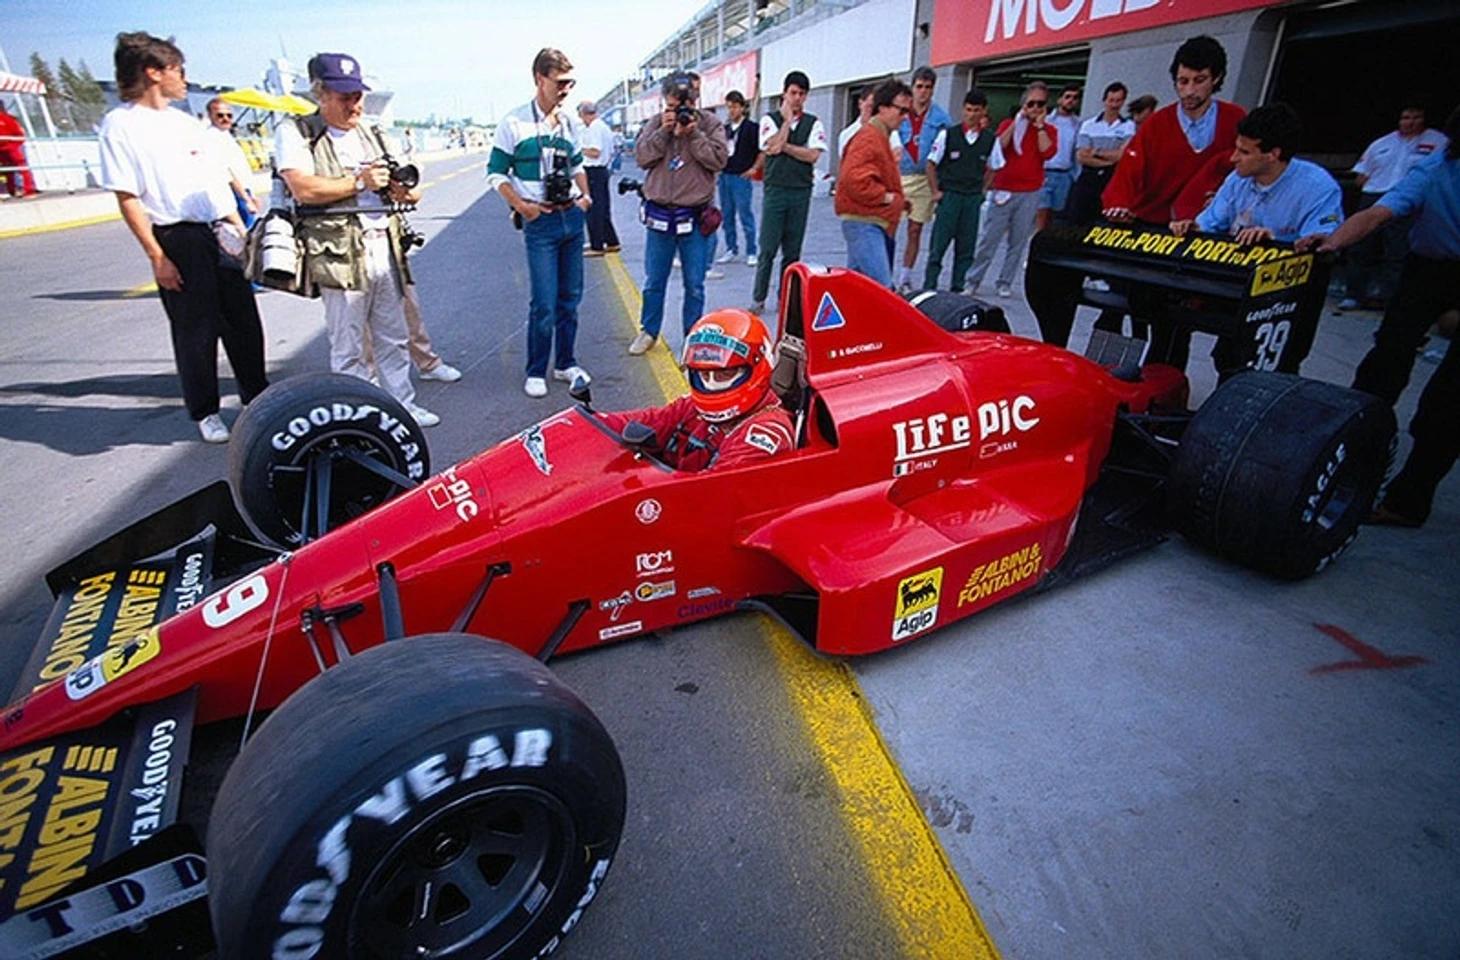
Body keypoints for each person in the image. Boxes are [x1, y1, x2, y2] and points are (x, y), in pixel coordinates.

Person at [99, 32, 268, 443]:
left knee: (243, 321)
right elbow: (128, 197)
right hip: (178, 237)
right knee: (196, 330)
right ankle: (206, 411)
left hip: (217, 228)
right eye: (178, 69)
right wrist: (158, 257)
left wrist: (239, 229)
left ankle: (257, 398)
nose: (185, 78)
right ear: (153, 73)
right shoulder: (121, 125)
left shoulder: (187, 124)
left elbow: (213, 182)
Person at [1297, 108, 1460, 528]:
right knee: (1384, 363)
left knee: (1447, 402)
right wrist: (1332, 241)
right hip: (1429, 269)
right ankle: (1349, 460)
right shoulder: (1437, 166)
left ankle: (1408, 502)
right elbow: (1378, 213)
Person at [276, 51, 438, 425]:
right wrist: (358, 182)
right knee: (348, 343)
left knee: (393, 335)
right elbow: (302, 188)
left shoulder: (374, 133)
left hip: (384, 245)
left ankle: (401, 406)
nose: (355, 105)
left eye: (358, 95)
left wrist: (399, 188)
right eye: (345, 97)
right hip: (339, 250)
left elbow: (414, 193)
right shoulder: (298, 131)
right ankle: (360, 414)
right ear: (320, 94)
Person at [1101, 35, 1246, 369]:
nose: (1189, 90)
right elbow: (1129, 172)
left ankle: (1167, 379)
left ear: (1217, 78)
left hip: (1202, 233)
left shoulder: (1234, 119)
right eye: (1183, 81)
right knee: (1124, 306)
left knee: (1178, 323)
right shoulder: (1157, 123)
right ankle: (1114, 375)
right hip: (1152, 226)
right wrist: (1119, 205)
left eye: (1199, 80)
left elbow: (1243, 168)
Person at [1170, 104, 1343, 378]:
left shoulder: (1318, 186)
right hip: (1240, 285)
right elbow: (1211, 222)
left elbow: (1322, 243)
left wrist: (1274, 242)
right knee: (1227, 356)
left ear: (1273, 154)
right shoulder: (1236, 180)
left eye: (1244, 152)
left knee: (1274, 367)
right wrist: (1190, 227)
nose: (1233, 158)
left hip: (1288, 297)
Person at [486, 47, 593, 398]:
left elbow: (578, 165)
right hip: (541, 222)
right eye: (560, 82)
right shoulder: (514, 123)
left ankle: (565, 362)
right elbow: (496, 173)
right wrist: (521, 206)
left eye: (570, 82)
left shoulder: (569, 123)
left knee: (570, 298)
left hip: (571, 217)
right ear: (539, 79)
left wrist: (586, 197)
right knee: (544, 302)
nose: (566, 89)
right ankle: (535, 370)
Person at [601, 309, 793, 472]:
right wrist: (591, 424)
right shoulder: (693, 407)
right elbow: (647, 420)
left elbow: (708, 490)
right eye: (703, 374)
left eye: (724, 374)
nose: (711, 384)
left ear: (757, 368)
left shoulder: (765, 433)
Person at [626, 72, 728, 355]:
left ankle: (692, 338)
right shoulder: (655, 123)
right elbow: (642, 157)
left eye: (684, 106)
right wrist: (663, 131)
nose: (679, 112)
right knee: (654, 281)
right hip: (659, 217)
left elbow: (719, 160)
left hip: (694, 217)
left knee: (694, 284)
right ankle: (649, 331)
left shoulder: (710, 124)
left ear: (695, 101)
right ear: (665, 102)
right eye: (672, 106)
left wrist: (694, 134)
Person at [1341, 104, 1450, 310]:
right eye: (1406, 117)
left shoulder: (1438, 141)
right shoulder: (1381, 143)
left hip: (1407, 200)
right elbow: (1361, 176)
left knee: (1397, 251)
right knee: (1361, 247)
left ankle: (1388, 298)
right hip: (1375, 196)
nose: (1410, 122)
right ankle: (1353, 294)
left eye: (1416, 117)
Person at [965, 82, 1056, 299]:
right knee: (989, 239)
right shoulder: (1009, 124)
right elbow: (1000, 147)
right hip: (1004, 189)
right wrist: (1018, 122)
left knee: (1018, 241)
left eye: (1040, 104)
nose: (1035, 108)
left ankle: (1004, 281)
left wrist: (1040, 127)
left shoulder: (1049, 130)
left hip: (1030, 191)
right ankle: (973, 280)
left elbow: (1048, 152)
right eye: (1031, 104)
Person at [752, 71, 827, 315]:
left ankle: (785, 297)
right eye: (793, 93)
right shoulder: (769, 119)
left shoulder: (813, 123)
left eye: (801, 94)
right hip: (775, 190)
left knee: (792, 250)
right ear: (784, 94)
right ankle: (759, 297)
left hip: (800, 191)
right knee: (767, 248)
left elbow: (813, 155)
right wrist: (786, 123)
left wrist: (784, 145)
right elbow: (770, 148)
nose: (797, 98)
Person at [836, 80, 911, 287]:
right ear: (883, 107)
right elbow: (854, 179)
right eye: (902, 110)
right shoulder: (870, 138)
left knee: (858, 290)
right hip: (865, 223)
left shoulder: (877, 135)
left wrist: (897, 200)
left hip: (866, 222)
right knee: (882, 290)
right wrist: (888, 198)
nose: (905, 117)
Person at [922, 89, 994, 292]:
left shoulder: (989, 139)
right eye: (968, 110)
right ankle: (929, 287)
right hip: (950, 195)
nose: (971, 115)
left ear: (983, 111)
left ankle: (958, 288)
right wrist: (935, 191)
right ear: (963, 110)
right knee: (938, 246)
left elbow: (994, 167)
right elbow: (931, 163)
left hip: (971, 198)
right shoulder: (948, 135)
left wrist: (983, 191)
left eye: (976, 110)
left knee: (966, 248)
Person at [894, 66, 952, 293]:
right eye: (919, 86)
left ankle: (905, 276)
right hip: (899, 175)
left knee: (915, 228)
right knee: (889, 226)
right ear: (912, 88)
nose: (923, 92)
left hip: (923, 178)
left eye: (928, 87)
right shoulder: (900, 112)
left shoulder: (941, 118)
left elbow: (945, 151)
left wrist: (939, 183)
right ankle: (883, 273)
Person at [1066, 82, 1134, 226]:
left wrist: (1095, 151)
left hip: (1113, 178)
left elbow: (1123, 155)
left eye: (1118, 101)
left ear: (1123, 102)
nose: (1114, 105)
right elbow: (1081, 156)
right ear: (1104, 101)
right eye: (1111, 100)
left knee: (1107, 220)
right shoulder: (1088, 125)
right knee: (1078, 219)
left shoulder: (1128, 126)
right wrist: (1109, 160)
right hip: (1089, 177)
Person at [715, 90, 759, 267]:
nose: (731, 111)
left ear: (742, 107)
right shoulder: (725, 129)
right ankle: (731, 248)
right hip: (725, 175)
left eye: (734, 107)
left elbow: (762, 151)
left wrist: (754, 168)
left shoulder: (751, 128)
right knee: (727, 214)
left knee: (745, 214)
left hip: (741, 176)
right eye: (729, 107)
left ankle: (751, 251)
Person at [203, 97, 259, 227]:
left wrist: (253, 194)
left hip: (243, 191)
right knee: (244, 232)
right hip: (234, 194)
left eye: (229, 115)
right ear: (210, 116)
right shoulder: (212, 138)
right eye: (220, 115)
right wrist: (246, 199)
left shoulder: (225, 136)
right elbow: (227, 173)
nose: (226, 119)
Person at [577, 100, 621, 256]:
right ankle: (611, 241)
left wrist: (579, 150)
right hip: (601, 170)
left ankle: (597, 245)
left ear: (583, 114)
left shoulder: (595, 128)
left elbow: (595, 152)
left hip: (593, 170)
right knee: (602, 208)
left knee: (593, 209)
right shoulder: (602, 127)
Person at [1037, 84, 1081, 231]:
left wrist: (1074, 175)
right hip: (1046, 171)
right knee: (1042, 212)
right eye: (1067, 97)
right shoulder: (1046, 120)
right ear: (1060, 99)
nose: (1071, 100)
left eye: (1075, 98)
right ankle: (1038, 240)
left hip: (1064, 174)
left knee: (1057, 214)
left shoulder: (1078, 124)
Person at [0, 102, 38, 198]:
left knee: (22, 167)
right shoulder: (8, 119)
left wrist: (14, 145)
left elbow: (18, 134)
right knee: (7, 169)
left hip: (12, 147)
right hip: (3, 148)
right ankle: (10, 190)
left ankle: (29, 190)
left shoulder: (8, 119)